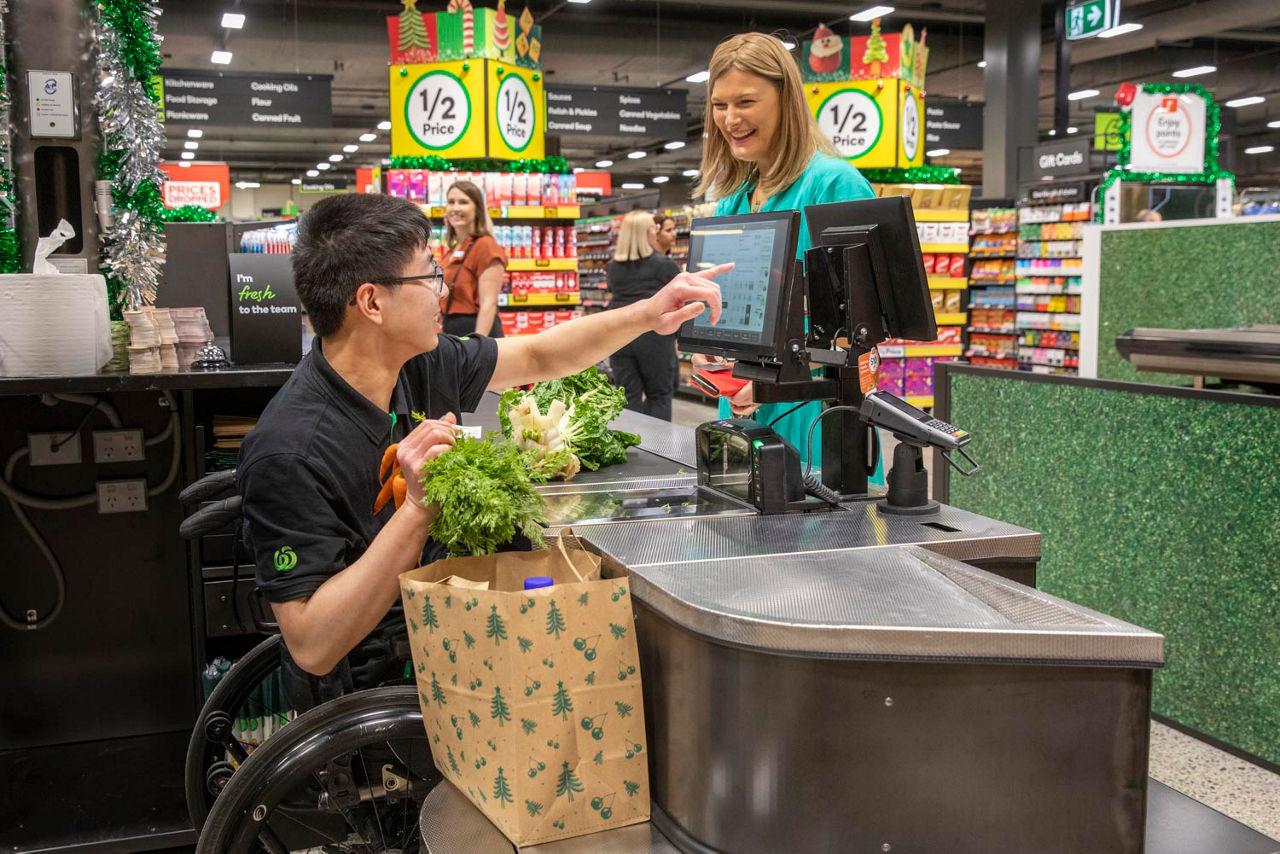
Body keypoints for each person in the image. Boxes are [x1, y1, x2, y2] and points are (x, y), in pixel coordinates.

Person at [236, 193, 726, 708]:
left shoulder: (413, 363)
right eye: (430, 277)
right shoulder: (289, 451)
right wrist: (418, 509)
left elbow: (538, 355)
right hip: (382, 692)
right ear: (372, 303)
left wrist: (648, 314)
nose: (443, 292)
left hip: (442, 630)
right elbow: (313, 644)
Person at [693, 32, 877, 472]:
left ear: (785, 99)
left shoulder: (834, 186)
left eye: (746, 102)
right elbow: (727, 311)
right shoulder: (733, 201)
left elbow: (862, 336)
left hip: (816, 418)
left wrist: (774, 383)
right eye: (720, 105)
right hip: (742, 410)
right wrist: (712, 351)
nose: (730, 118)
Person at [606, 210, 682, 421]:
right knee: (659, 395)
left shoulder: (612, 268)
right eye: (653, 228)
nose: (655, 231)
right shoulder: (664, 266)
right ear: (645, 233)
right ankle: (657, 449)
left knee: (627, 395)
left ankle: (632, 448)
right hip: (654, 337)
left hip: (620, 335)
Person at [441, 180, 507, 337]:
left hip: (477, 333)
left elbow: (488, 305)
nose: (455, 208)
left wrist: (479, 348)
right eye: (451, 202)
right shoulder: (455, 248)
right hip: (453, 332)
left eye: (463, 202)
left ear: (477, 209)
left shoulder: (485, 245)